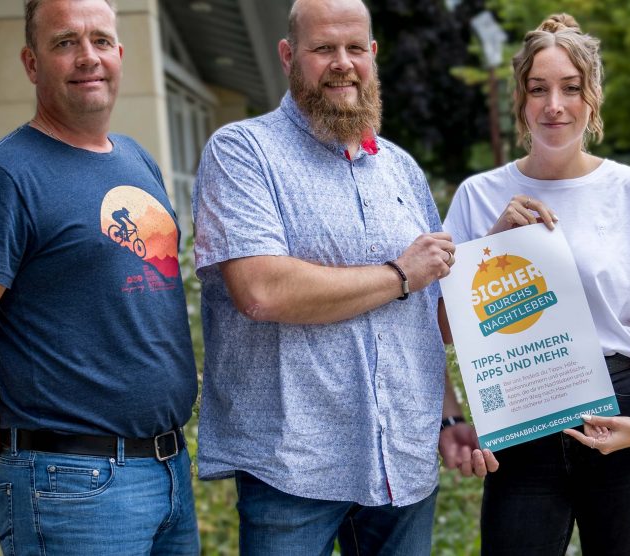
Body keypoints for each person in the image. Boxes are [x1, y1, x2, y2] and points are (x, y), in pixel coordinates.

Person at [191, 0, 492, 553]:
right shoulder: (243, 153)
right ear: (288, 56)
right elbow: (261, 290)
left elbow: (422, 315)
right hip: (293, 468)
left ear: (373, 56)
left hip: (402, 460)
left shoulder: (400, 167)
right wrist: (400, 272)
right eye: (323, 49)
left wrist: (449, 417)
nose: (342, 63)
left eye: (355, 49)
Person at [0, 0, 199, 553]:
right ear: (32, 64)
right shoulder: (2, 177)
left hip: (168, 469)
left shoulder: (136, 159)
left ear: (120, 55)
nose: (88, 58)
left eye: (101, 41)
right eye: (65, 43)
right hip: (72, 485)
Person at [443, 14, 630, 555]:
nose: (555, 104)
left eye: (571, 88)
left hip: (620, 408)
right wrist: (492, 246)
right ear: (521, 100)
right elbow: (441, 327)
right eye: (539, 89)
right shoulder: (479, 197)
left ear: (592, 96)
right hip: (523, 414)